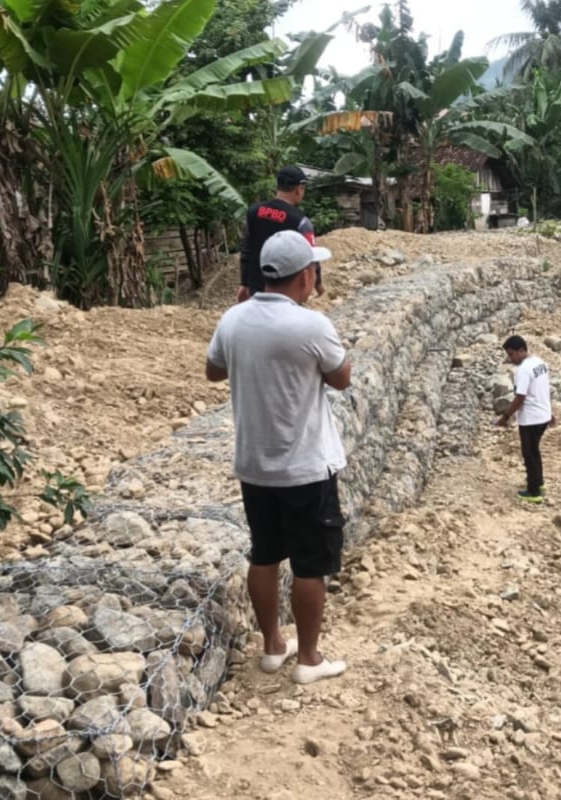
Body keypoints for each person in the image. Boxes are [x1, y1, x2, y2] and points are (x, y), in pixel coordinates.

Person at [206, 230, 350, 685]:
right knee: (311, 564)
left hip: (255, 464)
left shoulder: (233, 319)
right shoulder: (311, 325)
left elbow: (213, 371)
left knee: (264, 555)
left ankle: (272, 646)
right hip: (305, 466)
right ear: (305, 275)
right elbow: (341, 379)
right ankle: (309, 658)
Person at [237, 165, 323, 303]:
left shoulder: (253, 212)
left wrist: (244, 283)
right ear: (299, 189)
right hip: (288, 291)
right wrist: (318, 283)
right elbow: (311, 256)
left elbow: (245, 249)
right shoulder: (301, 221)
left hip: (256, 287)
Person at [496, 335, 555, 503]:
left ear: (521, 350)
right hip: (542, 415)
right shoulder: (540, 363)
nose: (510, 358)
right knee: (535, 451)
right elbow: (542, 389)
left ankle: (533, 492)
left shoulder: (523, 370)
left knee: (529, 453)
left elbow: (520, 397)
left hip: (531, 418)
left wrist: (505, 416)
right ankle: (540, 483)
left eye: (512, 354)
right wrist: (549, 412)